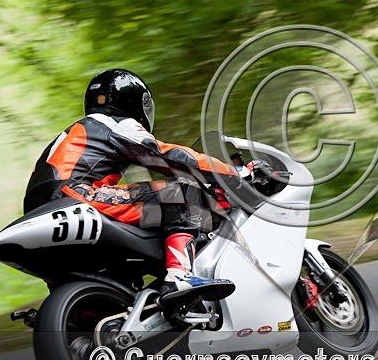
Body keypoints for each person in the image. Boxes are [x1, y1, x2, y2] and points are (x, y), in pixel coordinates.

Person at [23, 68, 245, 304]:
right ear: (135, 101)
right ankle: (179, 276)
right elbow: (168, 157)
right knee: (181, 193)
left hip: (38, 207)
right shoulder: (114, 124)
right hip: (75, 194)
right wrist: (233, 172)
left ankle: (88, 309)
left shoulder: (79, 130)